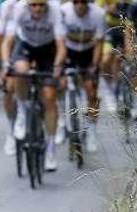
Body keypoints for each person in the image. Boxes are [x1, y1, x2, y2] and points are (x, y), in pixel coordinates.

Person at [2, 0, 66, 172]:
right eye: (33, 5)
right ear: (27, 5)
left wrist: (57, 67)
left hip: (48, 49)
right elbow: (7, 41)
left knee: (50, 97)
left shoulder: (55, 10)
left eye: (41, 5)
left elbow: (61, 46)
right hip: (26, 46)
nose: (37, 8)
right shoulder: (18, 9)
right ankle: (22, 111)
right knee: (20, 71)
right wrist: (5, 64)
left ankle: (51, 148)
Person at [60, 0, 106, 152]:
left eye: (83, 2)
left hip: (88, 52)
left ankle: (92, 131)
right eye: (76, 2)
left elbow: (99, 42)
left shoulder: (98, 14)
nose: (79, 5)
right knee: (60, 85)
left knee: (92, 92)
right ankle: (62, 122)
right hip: (69, 52)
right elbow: (58, 40)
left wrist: (94, 64)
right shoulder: (64, 11)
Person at [0, 0, 20, 155]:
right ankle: (11, 131)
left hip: (35, 50)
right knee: (8, 88)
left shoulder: (39, 4)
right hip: (9, 51)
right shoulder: (7, 7)